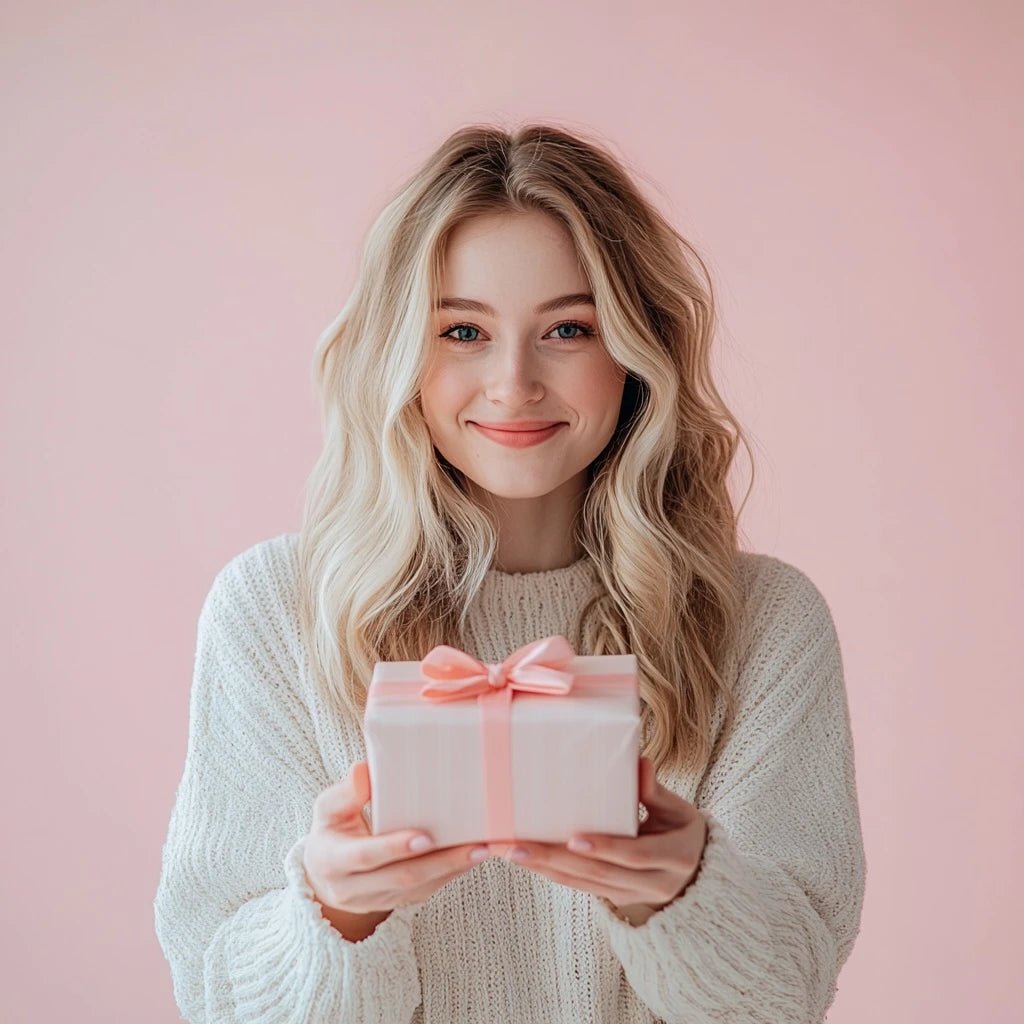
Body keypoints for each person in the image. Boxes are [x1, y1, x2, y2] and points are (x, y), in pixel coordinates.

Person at [153, 123, 866, 1023]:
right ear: (400, 355)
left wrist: (680, 891)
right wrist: (337, 909)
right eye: (462, 331)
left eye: (569, 328)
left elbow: (787, 999)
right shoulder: (274, 614)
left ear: (638, 353)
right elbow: (218, 999)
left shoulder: (764, 622)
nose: (514, 382)